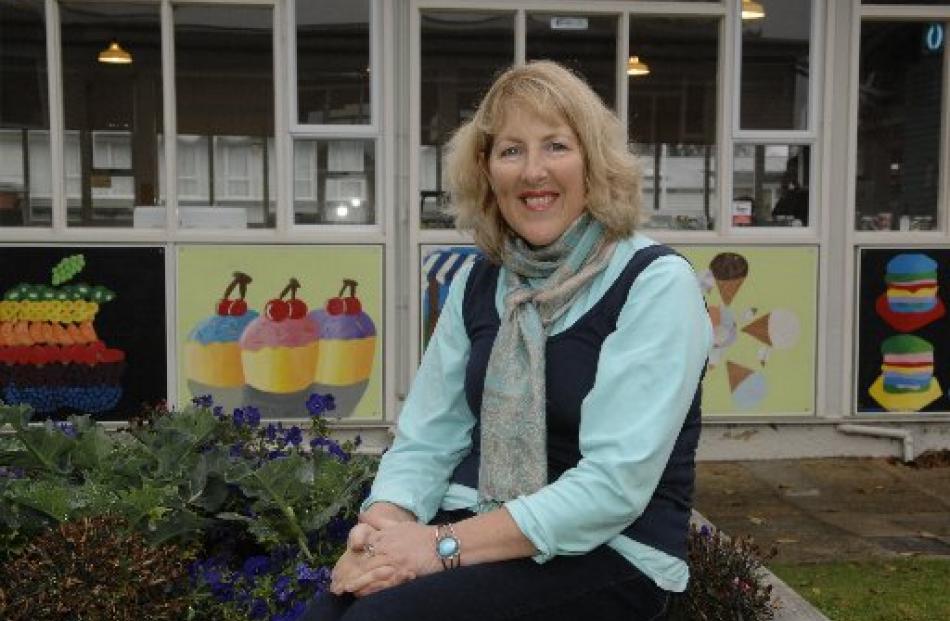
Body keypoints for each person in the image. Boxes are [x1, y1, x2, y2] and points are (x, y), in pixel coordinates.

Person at [302, 60, 712, 621]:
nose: (532, 171)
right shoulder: (480, 279)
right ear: (487, 172)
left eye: (557, 146)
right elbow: (428, 436)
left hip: (608, 549)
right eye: (511, 151)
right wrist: (384, 532)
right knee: (328, 613)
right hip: (469, 528)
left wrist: (438, 547)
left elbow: (613, 488)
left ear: (594, 163)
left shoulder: (655, 283)